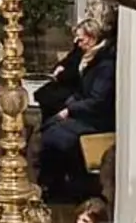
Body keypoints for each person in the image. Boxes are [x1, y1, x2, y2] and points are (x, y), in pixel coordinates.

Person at [39, 18, 116, 202]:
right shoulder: (90, 58)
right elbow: (82, 90)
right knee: (50, 127)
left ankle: (62, 187)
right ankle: (52, 181)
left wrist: (70, 110)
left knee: (56, 135)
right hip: (85, 113)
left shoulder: (105, 64)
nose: (78, 44)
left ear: (91, 39)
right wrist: (69, 104)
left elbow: (97, 101)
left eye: (81, 40)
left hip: (97, 120)